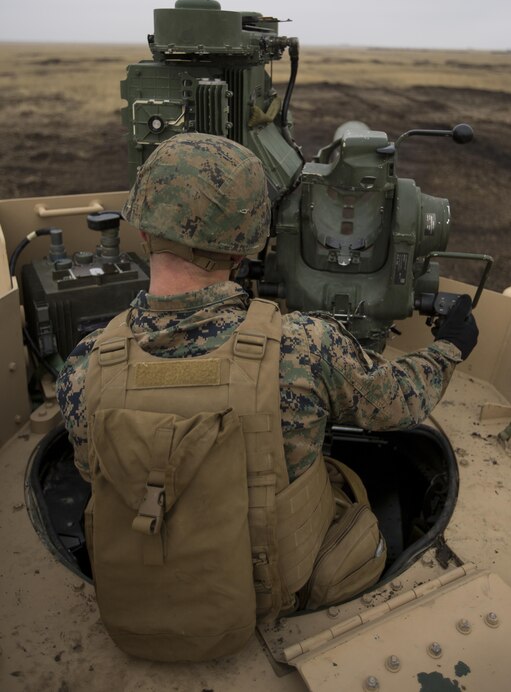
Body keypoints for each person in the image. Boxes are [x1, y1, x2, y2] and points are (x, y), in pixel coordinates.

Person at [56, 132, 478, 653]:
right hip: (286, 590)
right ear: (247, 244)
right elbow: (397, 403)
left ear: (143, 230)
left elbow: (93, 473)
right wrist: (449, 349)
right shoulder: (304, 349)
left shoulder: (85, 367)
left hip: (147, 591)